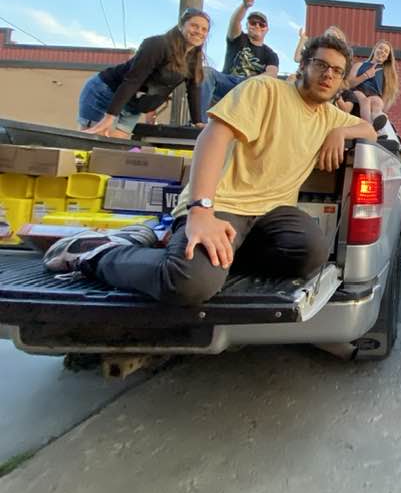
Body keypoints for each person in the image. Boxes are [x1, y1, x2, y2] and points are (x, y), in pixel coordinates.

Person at [45, 30, 378, 305]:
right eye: (321, 64)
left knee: (310, 253)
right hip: (222, 206)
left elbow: (370, 130)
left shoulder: (329, 115)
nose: (328, 74)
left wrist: (341, 131)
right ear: (304, 64)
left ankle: (211, 255)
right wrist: (201, 211)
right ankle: (96, 255)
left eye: (336, 71)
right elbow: (213, 137)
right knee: (189, 285)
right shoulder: (265, 89)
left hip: (271, 212)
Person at [79, 8, 209, 137]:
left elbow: (193, 90)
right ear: (181, 26)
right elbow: (134, 80)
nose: (199, 32)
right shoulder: (158, 45)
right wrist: (109, 117)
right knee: (94, 142)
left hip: (133, 106)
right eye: (194, 26)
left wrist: (198, 122)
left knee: (114, 149)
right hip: (108, 92)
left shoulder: (193, 59)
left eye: (204, 29)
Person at [200, 0, 280, 119]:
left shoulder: (270, 54)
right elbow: (235, 22)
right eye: (253, 23)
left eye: (262, 24)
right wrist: (244, 6)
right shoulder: (238, 39)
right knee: (206, 72)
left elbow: (272, 74)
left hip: (249, 89)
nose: (257, 26)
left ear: (267, 29)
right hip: (228, 82)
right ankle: (199, 121)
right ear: (247, 25)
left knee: (272, 89)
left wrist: (250, 82)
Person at [346, 40, 400, 123]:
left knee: (378, 102)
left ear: (387, 58)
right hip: (358, 91)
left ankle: (379, 121)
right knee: (365, 100)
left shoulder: (387, 73)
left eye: (386, 51)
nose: (382, 51)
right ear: (375, 49)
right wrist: (366, 75)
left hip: (374, 95)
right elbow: (349, 84)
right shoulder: (359, 65)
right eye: (380, 48)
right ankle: (368, 124)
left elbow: (385, 95)